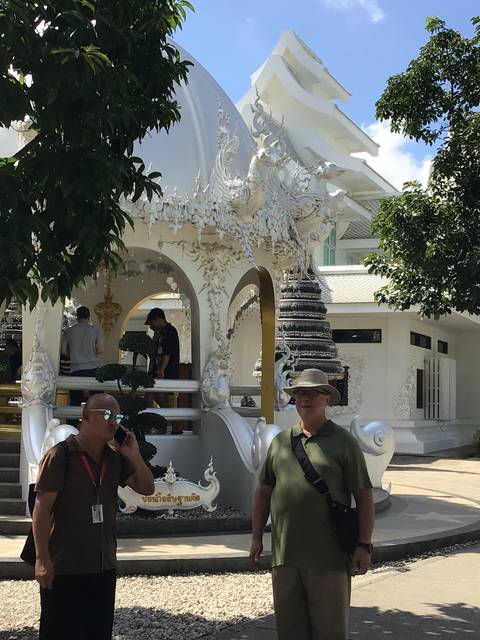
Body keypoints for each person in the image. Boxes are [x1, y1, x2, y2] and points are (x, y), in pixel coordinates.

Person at [250, 368, 374, 640]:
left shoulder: (343, 443)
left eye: (312, 393)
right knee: (290, 631)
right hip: (286, 556)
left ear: (327, 399)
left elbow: (364, 496)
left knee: (329, 631)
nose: (304, 399)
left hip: (328, 558)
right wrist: (257, 538)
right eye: (299, 394)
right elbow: (263, 491)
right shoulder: (281, 442)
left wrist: (363, 545)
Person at [33, 393, 155, 640]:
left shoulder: (115, 459)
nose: (114, 422)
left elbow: (147, 488)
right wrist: (42, 560)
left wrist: (134, 455)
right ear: (86, 417)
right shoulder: (61, 456)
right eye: (108, 415)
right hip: (65, 567)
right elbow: (42, 509)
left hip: (103, 566)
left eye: (117, 416)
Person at [61, 306, 104, 405]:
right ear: (89, 317)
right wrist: (91, 352)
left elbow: (63, 351)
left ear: (77, 317)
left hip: (76, 369)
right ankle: (96, 420)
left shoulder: (68, 331)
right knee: (97, 401)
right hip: (93, 370)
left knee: (75, 401)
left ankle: (72, 420)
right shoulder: (96, 331)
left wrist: (73, 353)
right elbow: (101, 350)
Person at [145, 308, 180, 380]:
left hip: (166, 375)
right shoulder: (159, 333)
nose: (151, 327)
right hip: (157, 374)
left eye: (151, 323)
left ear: (158, 319)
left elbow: (167, 352)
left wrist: (161, 370)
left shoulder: (169, 331)